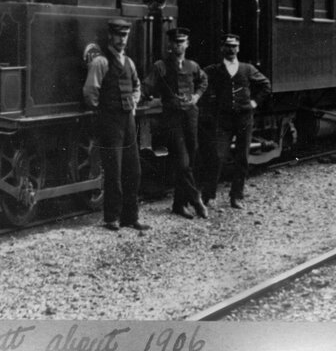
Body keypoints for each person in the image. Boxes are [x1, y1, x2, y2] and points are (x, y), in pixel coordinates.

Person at [82, 18, 150, 232]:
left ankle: (131, 217)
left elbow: (137, 85)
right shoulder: (100, 63)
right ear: (110, 36)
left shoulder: (129, 63)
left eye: (125, 35)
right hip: (110, 122)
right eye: (119, 35)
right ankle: (112, 217)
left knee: (134, 170)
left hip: (128, 120)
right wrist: (102, 111)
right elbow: (90, 92)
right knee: (114, 171)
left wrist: (133, 105)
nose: (122, 40)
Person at [142, 27, 209, 220]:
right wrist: (136, 96)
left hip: (191, 117)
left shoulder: (193, 66)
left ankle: (179, 204)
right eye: (175, 42)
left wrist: (196, 97)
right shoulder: (160, 67)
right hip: (172, 119)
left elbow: (203, 81)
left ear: (187, 44)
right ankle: (196, 199)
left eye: (182, 42)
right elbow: (147, 86)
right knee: (183, 161)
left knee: (191, 157)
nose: (179, 45)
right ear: (170, 45)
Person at [201, 34, 271, 210]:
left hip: (244, 119)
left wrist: (254, 103)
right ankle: (209, 196)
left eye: (234, 46)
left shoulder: (247, 69)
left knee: (242, 158)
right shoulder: (214, 70)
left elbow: (265, 85)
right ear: (222, 48)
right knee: (217, 156)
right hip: (223, 119)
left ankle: (236, 196)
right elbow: (200, 81)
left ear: (238, 48)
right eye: (227, 46)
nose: (230, 49)